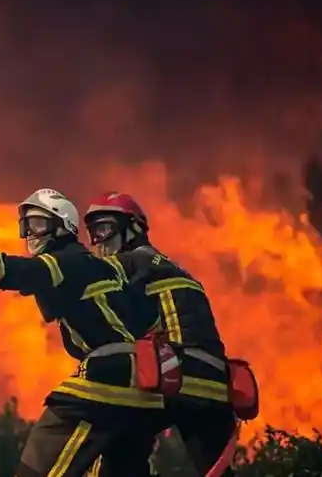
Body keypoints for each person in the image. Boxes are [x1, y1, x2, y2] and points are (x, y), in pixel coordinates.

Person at [0, 188, 164, 477]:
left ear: (63, 226)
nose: (30, 233)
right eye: (26, 225)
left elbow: (21, 271)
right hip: (145, 393)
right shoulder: (105, 269)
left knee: (36, 465)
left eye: (38, 223)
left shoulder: (69, 260)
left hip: (110, 378)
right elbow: (150, 319)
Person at [82, 192, 256, 476]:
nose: (99, 238)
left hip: (172, 378)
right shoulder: (177, 269)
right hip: (215, 385)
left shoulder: (126, 265)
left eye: (105, 227)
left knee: (119, 451)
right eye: (93, 231)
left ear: (133, 228)